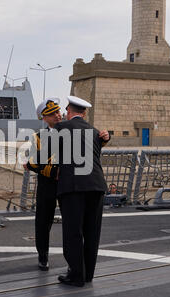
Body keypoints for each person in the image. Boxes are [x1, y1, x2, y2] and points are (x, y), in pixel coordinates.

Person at [54, 96, 110, 287]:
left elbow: (52, 153)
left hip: (73, 188)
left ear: (68, 112)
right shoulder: (95, 132)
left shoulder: (61, 128)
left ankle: (76, 274)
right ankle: (88, 274)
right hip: (96, 186)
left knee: (73, 231)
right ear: (84, 113)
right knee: (92, 231)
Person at [24, 98, 62, 271]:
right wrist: (53, 172)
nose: (58, 115)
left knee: (72, 222)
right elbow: (33, 162)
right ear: (44, 118)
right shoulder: (37, 137)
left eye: (58, 111)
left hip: (68, 184)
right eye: (52, 114)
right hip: (47, 184)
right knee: (42, 222)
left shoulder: (70, 131)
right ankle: (43, 255)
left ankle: (74, 256)